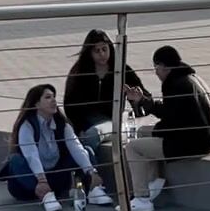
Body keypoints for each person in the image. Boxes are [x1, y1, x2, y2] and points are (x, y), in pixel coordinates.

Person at [124, 45, 210, 211]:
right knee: (142, 132)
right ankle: (154, 182)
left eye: (156, 67)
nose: (156, 72)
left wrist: (156, 132)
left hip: (193, 143)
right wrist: (143, 101)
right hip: (209, 136)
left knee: (133, 148)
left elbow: (172, 123)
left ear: (163, 66)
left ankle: (141, 198)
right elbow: (172, 111)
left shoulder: (175, 85)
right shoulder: (189, 77)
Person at [0, 84, 115, 211]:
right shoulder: (27, 125)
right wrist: (41, 180)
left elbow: (76, 147)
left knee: (86, 150)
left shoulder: (61, 124)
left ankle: (93, 190)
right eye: (48, 97)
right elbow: (31, 155)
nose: (53, 100)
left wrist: (92, 172)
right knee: (15, 160)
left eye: (54, 97)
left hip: (54, 179)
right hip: (30, 185)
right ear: (36, 104)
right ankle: (46, 196)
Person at [63, 28, 151, 189]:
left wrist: (136, 99)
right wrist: (79, 126)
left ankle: (89, 182)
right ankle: (87, 181)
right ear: (89, 53)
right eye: (97, 51)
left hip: (112, 121)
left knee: (92, 135)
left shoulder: (121, 69)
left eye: (105, 49)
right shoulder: (80, 71)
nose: (102, 54)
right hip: (84, 121)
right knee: (78, 139)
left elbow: (145, 97)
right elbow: (69, 104)